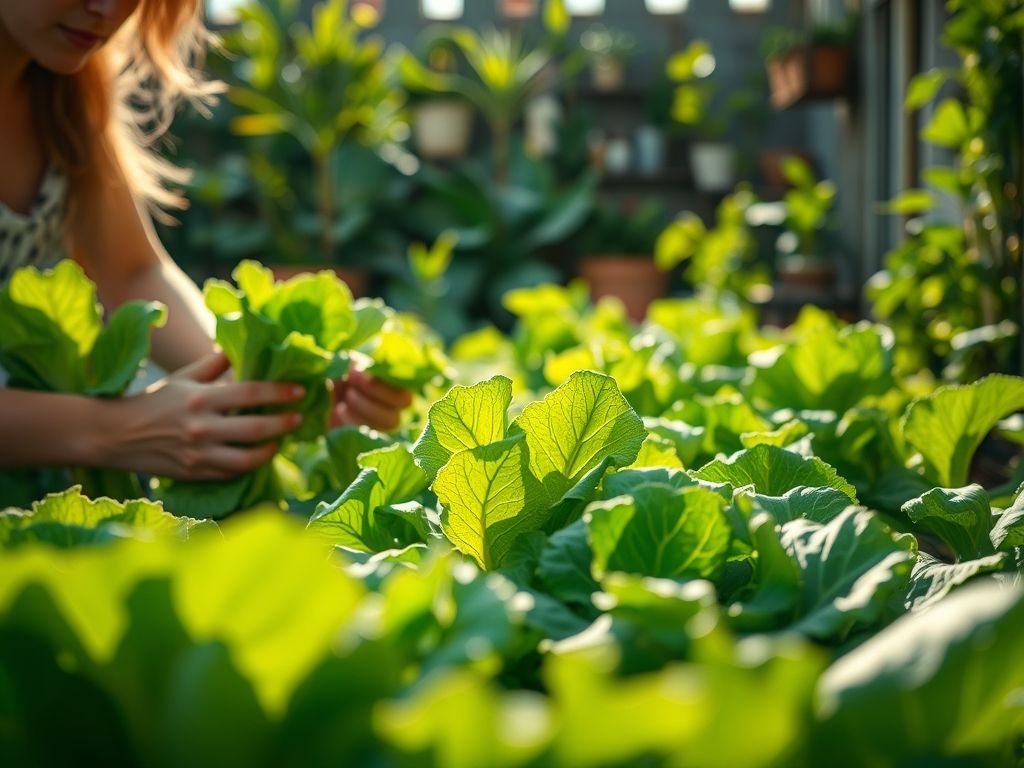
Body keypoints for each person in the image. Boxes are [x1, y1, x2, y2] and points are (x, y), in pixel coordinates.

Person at [0, 0, 411, 484]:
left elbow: (132, 273)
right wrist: (115, 430)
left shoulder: (69, 90)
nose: (108, 8)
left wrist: (271, 378)